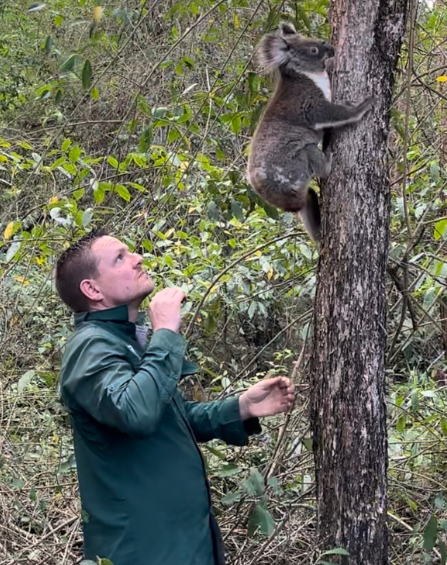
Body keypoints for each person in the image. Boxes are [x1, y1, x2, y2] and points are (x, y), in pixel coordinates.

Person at [54, 229, 295, 565]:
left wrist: (241, 407)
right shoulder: (91, 345)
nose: (137, 259)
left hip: (181, 541)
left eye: (131, 252)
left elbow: (170, 418)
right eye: (120, 258)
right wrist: (165, 332)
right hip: (142, 548)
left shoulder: (125, 339)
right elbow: (135, 413)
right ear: (92, 289)